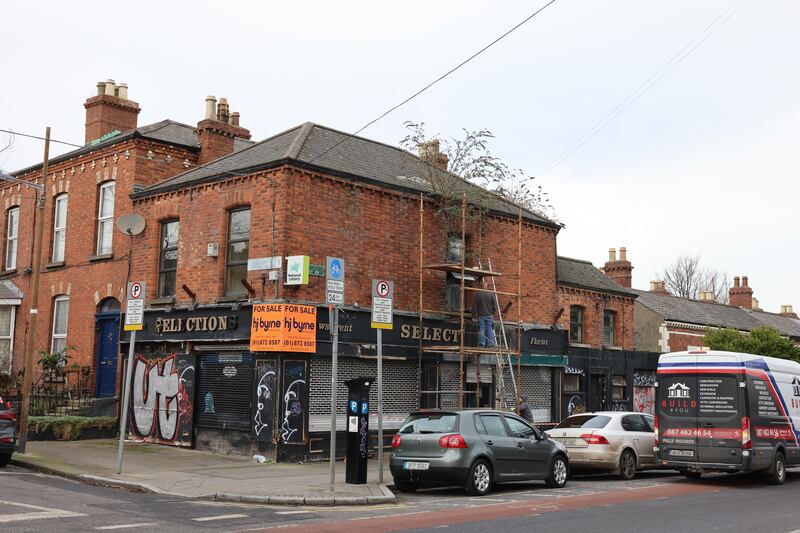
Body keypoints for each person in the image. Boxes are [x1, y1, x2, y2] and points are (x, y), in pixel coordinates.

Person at [471, 278, 498, 348]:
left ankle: (482, 344)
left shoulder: (477, 294)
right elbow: (494, 306)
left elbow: (474, 306)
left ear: (480, 286)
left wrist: (473, 315)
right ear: (486, 286)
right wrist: (493, 313)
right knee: (489, 329)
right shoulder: (491, 294)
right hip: (489, 315)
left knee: (482, 329)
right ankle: (490, 344)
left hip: (481, 315)